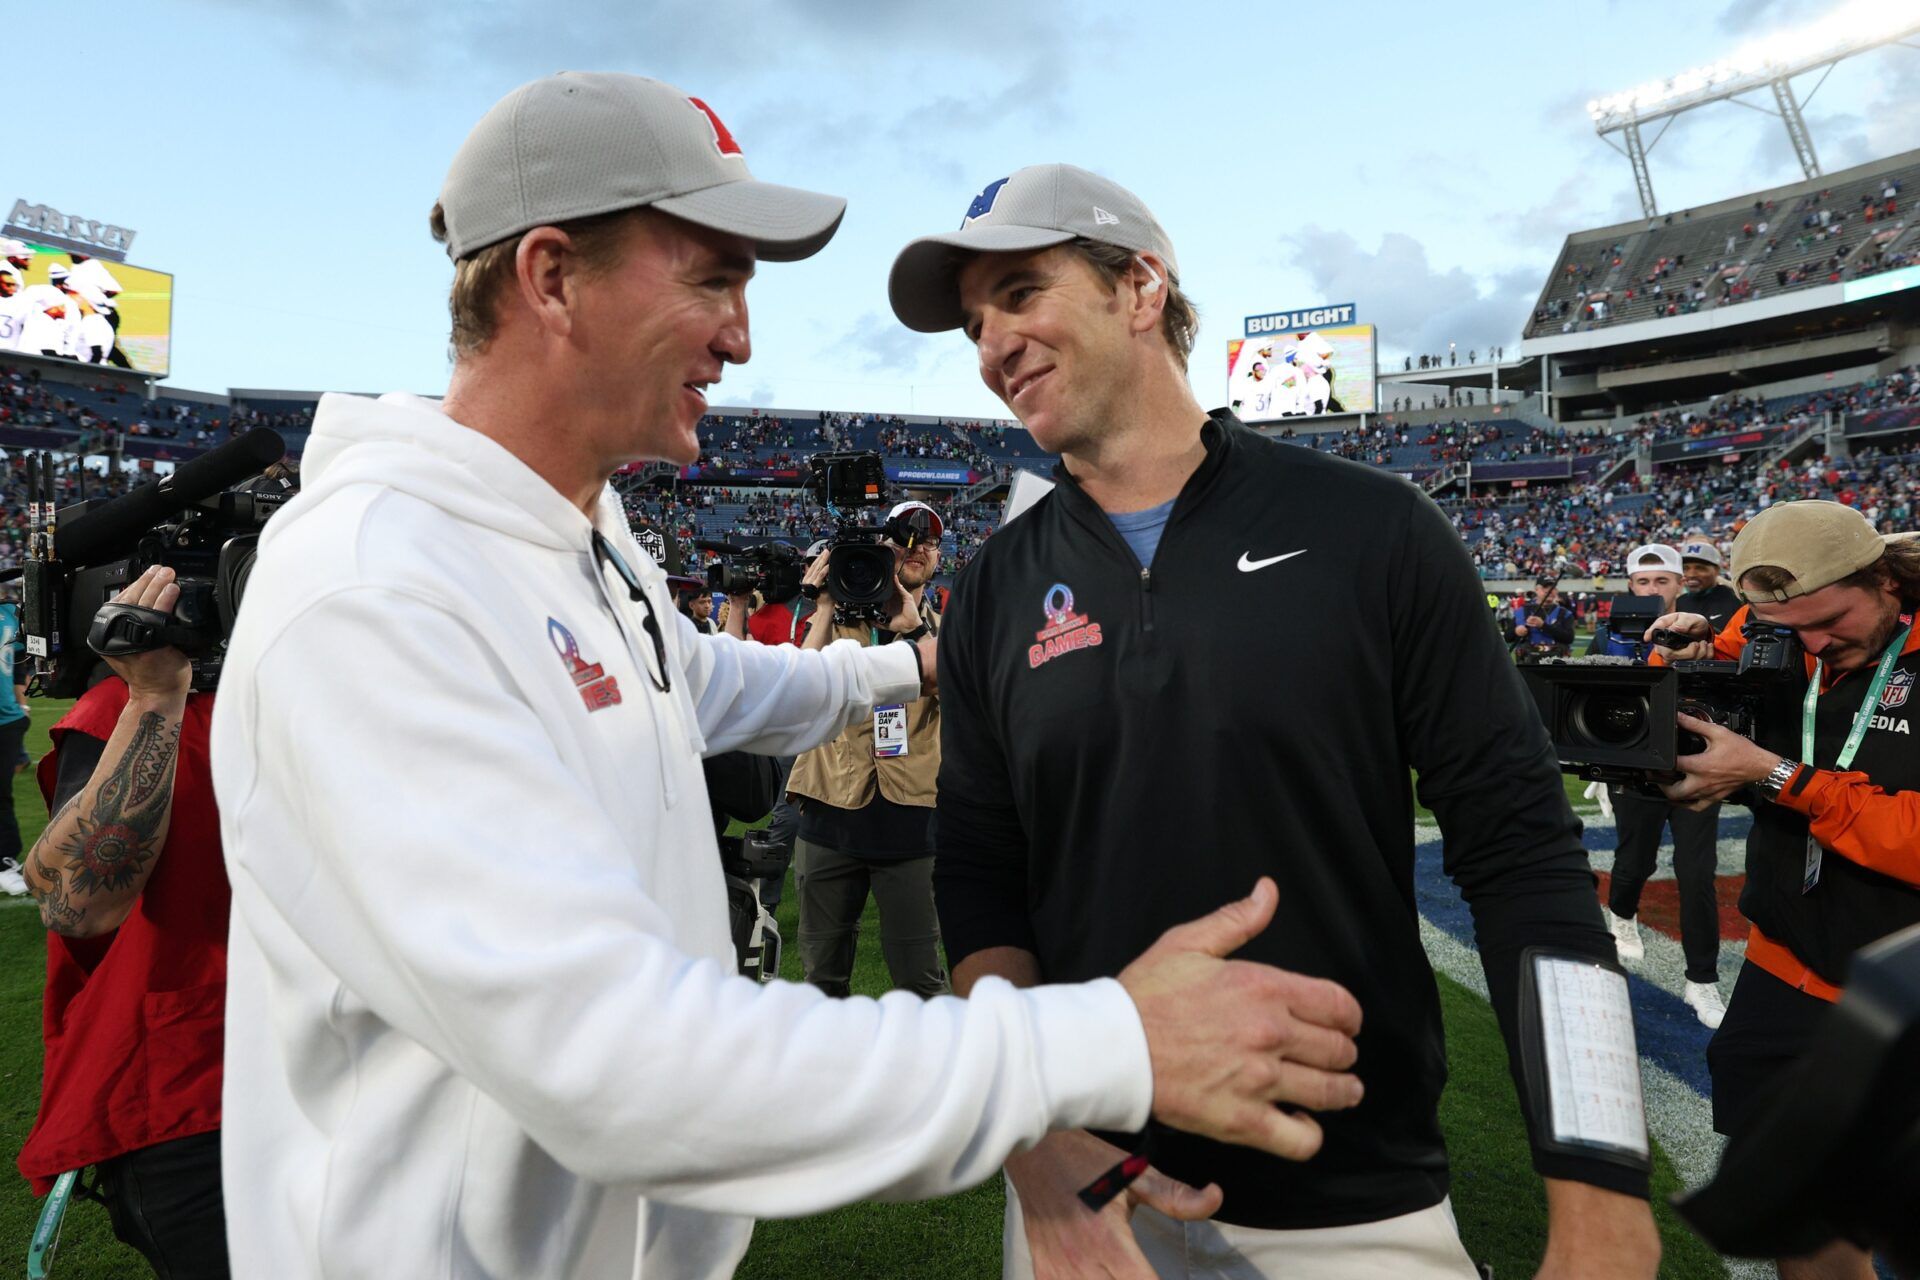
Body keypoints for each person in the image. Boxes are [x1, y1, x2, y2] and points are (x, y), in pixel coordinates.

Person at [211, 75, 1367, 1280]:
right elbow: (620, 1061)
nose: (742, 333)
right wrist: (1109, 1040)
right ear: (550, 277)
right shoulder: (376, 587)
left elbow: (705, 682)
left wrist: (916, 663)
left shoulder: (574, 538)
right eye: (713, 275)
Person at [890, 163, 1657, 1279]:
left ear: (1141, 287)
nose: (991, 342)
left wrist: (1602, 1191)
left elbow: (1523, 854)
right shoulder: (1000, 584)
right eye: (972, 322)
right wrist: (1038, 1142)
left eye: (1020, 292)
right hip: (1085, 1198)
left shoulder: (1374, 528)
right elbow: (982, 882)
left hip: (1355, 1206)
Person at [1652, 500, 1920, 1280]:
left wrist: (1778, 777)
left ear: (1884, 581)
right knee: (1801, 1221)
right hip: (1786, 965)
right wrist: (1699, 645)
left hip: (1907, 983)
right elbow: (1746, 641)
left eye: (1829, 620)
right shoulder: (1783, 626)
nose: (1811, 644)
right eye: (1786, 627)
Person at [17, 566, 232, 1279]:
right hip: (194, 1093)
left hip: (359, 1070)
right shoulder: (129, 709)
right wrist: (154, 694)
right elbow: (77, 903)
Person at [786, 500, 949, 998]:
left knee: (920, 980)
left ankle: (933, 1076)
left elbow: (968, 697)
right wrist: (825, 605)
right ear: (882, 547)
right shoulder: (832, 623)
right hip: (829, 810)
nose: (918, 547)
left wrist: (915, 631)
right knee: (820, 981)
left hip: (911, 820)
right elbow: (796, 697)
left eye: (931, 540)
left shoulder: (944, 628)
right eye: (905, 536)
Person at [1588, 544, 1726, 1028]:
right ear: (1630, 585)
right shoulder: (1607, 636)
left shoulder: (1704, 634)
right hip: (1635, 771)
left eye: (1661, 581)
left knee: (1697, 873)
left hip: (1694, 766)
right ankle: (1622, 916)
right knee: (1634, 863)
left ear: (1678, 586)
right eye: (1643, 583)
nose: (1651, 590)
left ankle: (1703, 980)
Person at [0, 584, 28, 895]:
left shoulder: (10, 614)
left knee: (1, 796)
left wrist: (21, 703)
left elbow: (20, 663)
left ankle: (4, 862)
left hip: (5, 719)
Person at [1677, 538, 1741, 631]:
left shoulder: (1735, 601)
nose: (1691, 574)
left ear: (1717, 570)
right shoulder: (1679, 602)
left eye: (1700, 568)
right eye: (1685, 568)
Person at [1512, 574, 1575, 657]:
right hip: (1528, 663)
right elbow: (1508, 637)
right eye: (1545, 587)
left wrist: (1543, 626)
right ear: (1536, 589)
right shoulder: (1523, 610)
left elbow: (1569, 638)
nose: (1549, 591)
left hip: (1556, 662)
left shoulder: (1565, 613)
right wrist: (1516, 631)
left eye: (1553, 588)